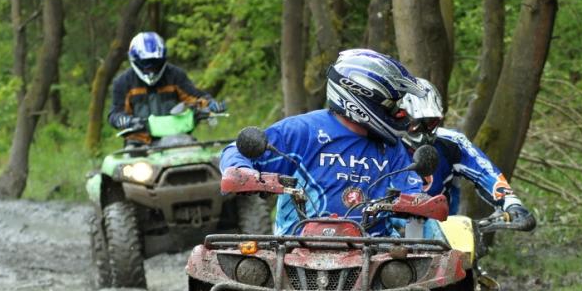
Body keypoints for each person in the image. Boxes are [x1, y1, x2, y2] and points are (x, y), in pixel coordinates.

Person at [220, 49, 427, 237]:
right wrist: (241, 170)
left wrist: (420, 203)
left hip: (375, 256)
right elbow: (237, 151)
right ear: (363, 94)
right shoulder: (303, 131)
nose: (399, 113)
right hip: (295, 251)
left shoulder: (392, 147)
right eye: (391, 105)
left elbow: (412, 196)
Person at [399, 78, 536, 231]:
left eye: (430, 122)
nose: (423, 130)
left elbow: (484, 171)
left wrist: (512, 204)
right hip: (384, 229)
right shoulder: (383, 144)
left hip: (440, 231)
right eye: (416, 123)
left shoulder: (451, 142)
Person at [108, 32, 225, 144]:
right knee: (133, 158)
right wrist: (123, 120)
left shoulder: (175, 75)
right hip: (138, 143)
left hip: (177, 138)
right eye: (146, 63)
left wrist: (210, 104)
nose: (151, 68)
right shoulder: (123, 82)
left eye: (155, 62)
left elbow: (195, 97)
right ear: (134, 60)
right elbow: (115, 113)